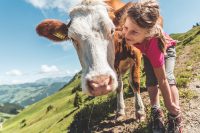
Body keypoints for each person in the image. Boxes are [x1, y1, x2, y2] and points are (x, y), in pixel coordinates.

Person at [122, 0, 183, 132]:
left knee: (168, 77)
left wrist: (168, 103)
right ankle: (156, 111)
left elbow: (162, 80)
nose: (126, 35)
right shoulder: (133, 28)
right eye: (126, 28)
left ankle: (174, 114)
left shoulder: (153, 43)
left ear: (148, 33)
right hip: (146, 52)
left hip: (165, 50)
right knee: (150, 81)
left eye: (134, 32)